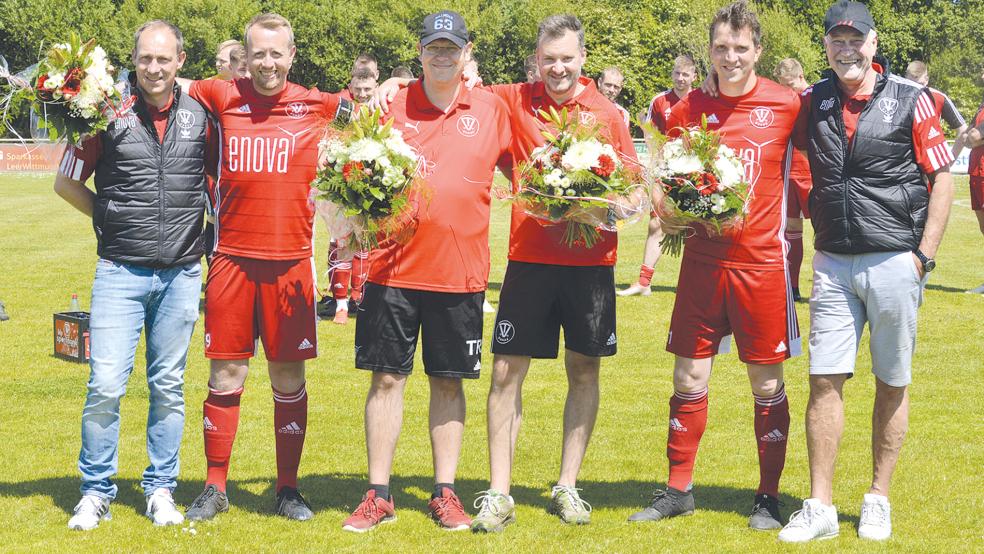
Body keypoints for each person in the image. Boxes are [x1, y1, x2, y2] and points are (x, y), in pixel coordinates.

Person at [778, 1, 954, 542]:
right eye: (837, 39)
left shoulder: (913, 98)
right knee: (823, 379)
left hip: (895, 258)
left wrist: (922, 256)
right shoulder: (813, 101)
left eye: (856, 40)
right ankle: (820, 505)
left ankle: (878, 496)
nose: (846, 48)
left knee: (891, 381)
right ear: (826, 45)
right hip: (833, 261)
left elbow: (942, 178)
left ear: (874, 44)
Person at [628, 1, 802, 530]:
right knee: (688, 373)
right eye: (722, 48)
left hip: (762, 266)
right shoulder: (688, 109)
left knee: (766, 384)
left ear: (758, 51)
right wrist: (668, 212)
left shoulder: (788, 103)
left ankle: (768, 498)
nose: (731, 57)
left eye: (741, 48)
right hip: (702, 264)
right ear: (710, 50)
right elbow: (667, 179)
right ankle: (679, 488)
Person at [177, 12, 353, 522]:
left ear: (292, 55)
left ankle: (288, 488)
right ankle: (215, 486)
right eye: (259, 54)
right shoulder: (220, 94)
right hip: (231, 259)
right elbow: (167, 80)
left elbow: (364, 113)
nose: (268, 63)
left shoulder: (317, 105)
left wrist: (393, 83)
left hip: (291, 265)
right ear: (244, 58)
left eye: (277, 53)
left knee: (287, 375)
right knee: (226, 373)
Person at [340, 10, 512, 533]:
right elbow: (345, 160)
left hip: (460, 275)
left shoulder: (490, 108)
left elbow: (528, 169)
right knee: (387, 378)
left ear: (466, 52)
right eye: (433, 47)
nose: (442, 55)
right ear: (419, 52)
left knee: (449, 383)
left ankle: (445, 492)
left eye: (451, 47)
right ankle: (378, 494)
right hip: (392, 269)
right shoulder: (390, 102)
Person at [54, 20, 215, 530]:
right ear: (134, 61)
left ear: (180, 62)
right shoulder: (105, 113)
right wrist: (107, 216)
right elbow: (65, 182)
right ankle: (96, 491)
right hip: (120, 272)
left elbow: (217, 186)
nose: (154, 68)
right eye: (146, 58)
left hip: (181, 275)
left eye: (164, 59)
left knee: (168, 386)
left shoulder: (201, 117)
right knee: (104, 384)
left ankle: (161, 488)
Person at [619, 54, 697, 297]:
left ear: (694, 76)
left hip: (697, 173)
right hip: (666, 172)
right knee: (656, 224)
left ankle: (696, 285)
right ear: (672, 74)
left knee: (697, 228)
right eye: (677, 74)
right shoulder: (660, 101)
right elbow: (652, 136)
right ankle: (644, 282)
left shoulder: (702, 100)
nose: (681, 79)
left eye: (686, 74)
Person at [774, 57, 813, 301]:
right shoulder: (785, 100)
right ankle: (793, 286)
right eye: (782, 84)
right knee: (791, 229)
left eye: (789, 84)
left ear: (800, 76)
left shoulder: (814, 96)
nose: (786, 90)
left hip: (813, 173)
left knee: (826, 229)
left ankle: (828, 288)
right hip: (789, 172)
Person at [905, 60, 968, 158]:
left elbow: (963, 130)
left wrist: (951, 159)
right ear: (905, 79)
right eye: (910, 85)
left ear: (927, 80)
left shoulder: (939, 98)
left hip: (930, 161)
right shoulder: (895, 96)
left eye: (919, 85)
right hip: (902, 162)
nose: (915, 90)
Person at [966, 78, 984, 293]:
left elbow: (976, 135)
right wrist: (975, 137)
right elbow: (970, 135)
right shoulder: (981, 104)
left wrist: (976, 137)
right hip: (976, 173)